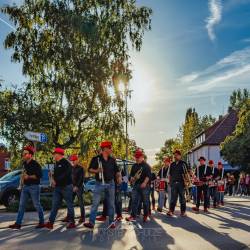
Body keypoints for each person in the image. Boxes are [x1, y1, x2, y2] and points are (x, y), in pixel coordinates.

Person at [84, 141, 122, 229]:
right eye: (110, 148)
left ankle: (112, 222)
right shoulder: (96, 158)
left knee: (111, 204)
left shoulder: (112, 159)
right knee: (95, 203)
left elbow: (117, 171)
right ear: (105, 149)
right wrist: (97, 171)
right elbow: (89, 170)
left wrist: (119, 177)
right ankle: (91, 223)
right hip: (99, 183)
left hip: (111, 183)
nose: (111, 149)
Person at [9, 146, 44, 230]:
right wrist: (21, 184)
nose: (23, 155)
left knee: (37, 205)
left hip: (34, 187)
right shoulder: (24, 164)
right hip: (25, 187)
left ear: (30, 155)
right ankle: (18, 224)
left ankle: (42, 222)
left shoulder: (36, 164)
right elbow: (23, 175)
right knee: (21, 205)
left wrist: (28, 177)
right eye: (23, 153)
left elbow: (39, 176)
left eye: (25, 153)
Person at [44, 148, 75, 229]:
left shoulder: (66, 163)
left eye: (54, 153)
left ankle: (72, 222)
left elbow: (66, 174)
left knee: (69, 204)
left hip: (67, 186)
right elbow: (57, 175)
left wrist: (56, 180)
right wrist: (52, 176)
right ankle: (50, 223)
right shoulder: (56, 163)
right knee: (54, 205)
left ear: (59, 154)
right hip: (58, 188)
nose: (53, 155)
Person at [126, 150, 151, 222]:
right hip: (136, 185)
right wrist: (131, 178)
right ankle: (133, 216)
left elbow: (148, 176)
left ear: (142, 157)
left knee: (145, 202)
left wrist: (144, 183)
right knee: (134, 201)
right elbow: (131, 175)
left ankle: (146, 215)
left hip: (145, 186)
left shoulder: (146, 166)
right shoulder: (134, 166)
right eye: (136, 157)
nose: (136, 158)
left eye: (138, 157)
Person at [167, 150, 188, 217]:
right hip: (173, 183)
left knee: (182, 198)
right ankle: (171, 211)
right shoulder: (172, 164)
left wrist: (187, 182)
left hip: (181, 183)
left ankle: (183, 212)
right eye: (174, 155)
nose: (175, 156)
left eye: (176, 155)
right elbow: (170, 174)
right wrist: (170, 183)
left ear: (180, 155)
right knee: (173, 198)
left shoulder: (183, 163)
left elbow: (186, 173)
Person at [70, 154, 85, 223]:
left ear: (77, 160)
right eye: (72, 161)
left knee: (80, 202)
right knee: (70, 202)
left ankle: (82, 217)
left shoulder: (81, 168)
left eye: (74, 160)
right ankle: (69, 216)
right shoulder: (71, 168)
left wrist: (77, 186)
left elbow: (81, 179)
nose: (73, 162)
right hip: (72, 187)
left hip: (79, 187)